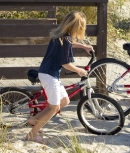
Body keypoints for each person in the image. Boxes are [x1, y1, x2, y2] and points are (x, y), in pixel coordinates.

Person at [25, 11, 94, 144]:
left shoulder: (59, 35)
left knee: (64, 101)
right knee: (54, 107)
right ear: (76, 28)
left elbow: (69, 45)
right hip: (50, 75)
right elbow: (65, 63)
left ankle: (34, 120)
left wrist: (83, 46)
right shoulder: (66, 39)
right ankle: (32, 135)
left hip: (48, 73)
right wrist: (79, 71)